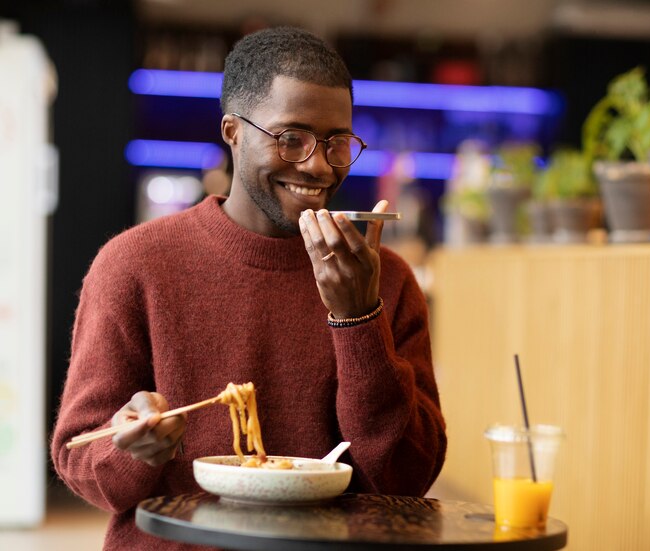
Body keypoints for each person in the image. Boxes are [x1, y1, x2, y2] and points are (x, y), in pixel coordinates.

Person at [50, 26, 447, 551]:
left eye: (338, 142)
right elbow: (78, 454)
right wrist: (132, 448)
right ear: (232, 132)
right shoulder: (133, 264)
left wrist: (358, 319)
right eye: (291, 138)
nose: (318, 165)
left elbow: (407, 478)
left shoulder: (384, 280)